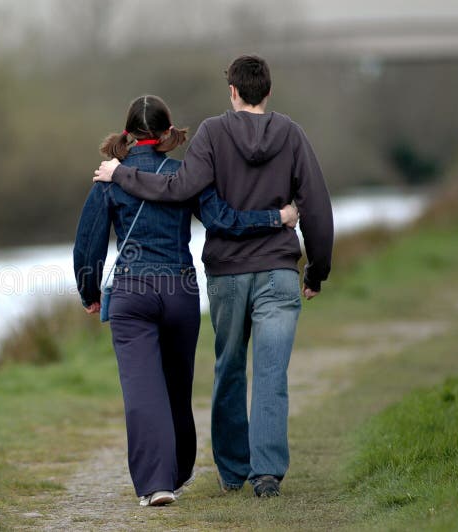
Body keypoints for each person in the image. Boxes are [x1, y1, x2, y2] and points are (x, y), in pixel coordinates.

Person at [93, 56, 334, 498]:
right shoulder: (293, 135)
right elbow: (316, 205)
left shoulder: (212, 133)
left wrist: (122, 174)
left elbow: (180, 189)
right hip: (280, 270)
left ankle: (231, 471)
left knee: (229, 369)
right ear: (268, 92)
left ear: (233, 91)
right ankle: (267, 475)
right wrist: (317, 269)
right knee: (272, 373)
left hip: (226, 274)